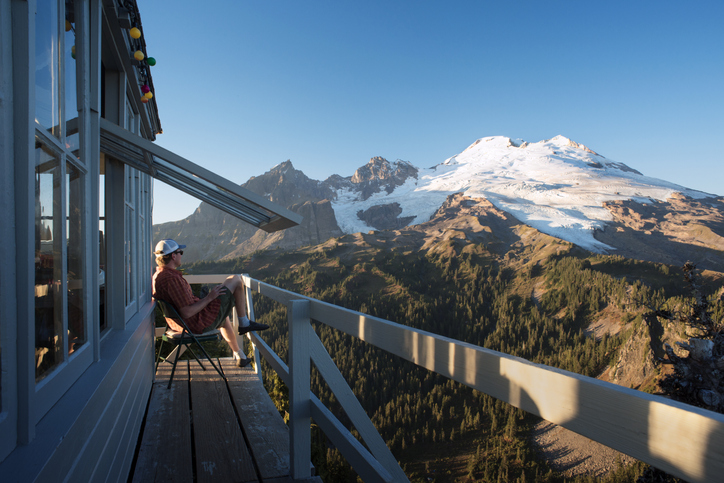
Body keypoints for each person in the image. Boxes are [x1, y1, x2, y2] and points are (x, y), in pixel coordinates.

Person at [151, 239, 268, 368]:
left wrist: (206, 299)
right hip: (195, 323)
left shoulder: (158, 275)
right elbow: (186, 312)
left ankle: (241, 356)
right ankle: (244, 322)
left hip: (179, 324)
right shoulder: (171, 279)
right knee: (236, 279)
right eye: (180, 252)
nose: (181, 255)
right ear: (173, 256)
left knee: (223, 317)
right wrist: (209, 298)